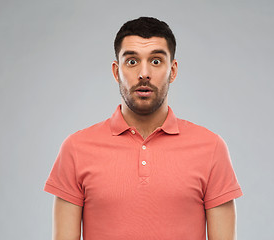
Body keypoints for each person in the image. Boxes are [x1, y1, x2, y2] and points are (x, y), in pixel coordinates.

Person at [44, 16, 243, 240]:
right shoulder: (76, 149)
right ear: (116, 71)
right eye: (132, 61)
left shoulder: (211, 148)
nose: (144, 73)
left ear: (173, 70)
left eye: (156, 61)